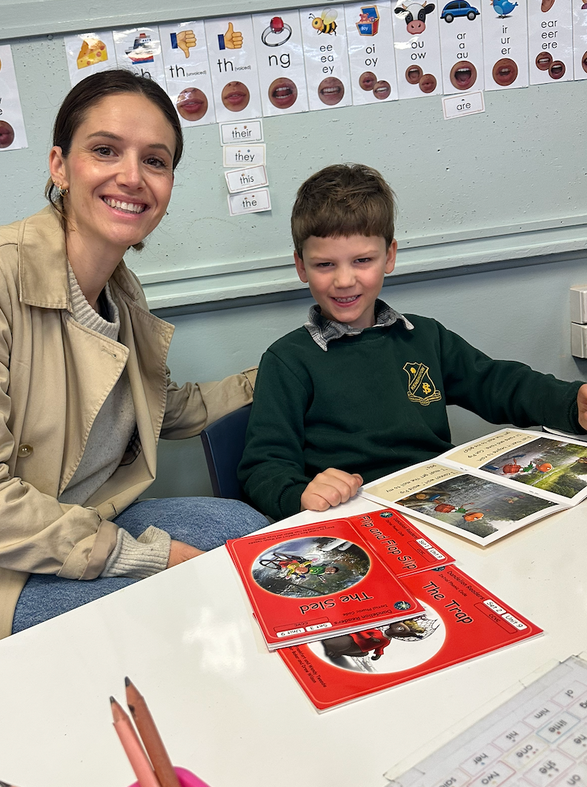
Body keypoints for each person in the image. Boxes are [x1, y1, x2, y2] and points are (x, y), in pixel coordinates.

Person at [0, 70, 267, 695]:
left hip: (63, 527)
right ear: (59, 166)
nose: (132, 175)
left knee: (240, 530)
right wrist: (148, 558)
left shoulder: (119, 295)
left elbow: (161, 408)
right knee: (177, 618)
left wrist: (281, 373)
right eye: (105, 150)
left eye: (154, 160)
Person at [238, 163, 587, 520]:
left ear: (389, 256)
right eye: (325, 265)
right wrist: (299, 494)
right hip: (355, 517)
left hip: (443, 505)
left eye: (362, 260)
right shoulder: (287, 360)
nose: (344, 280)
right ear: (301, 266)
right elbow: (263, 467)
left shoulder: (424, 337)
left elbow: (497, 383)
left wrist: (571, 401)